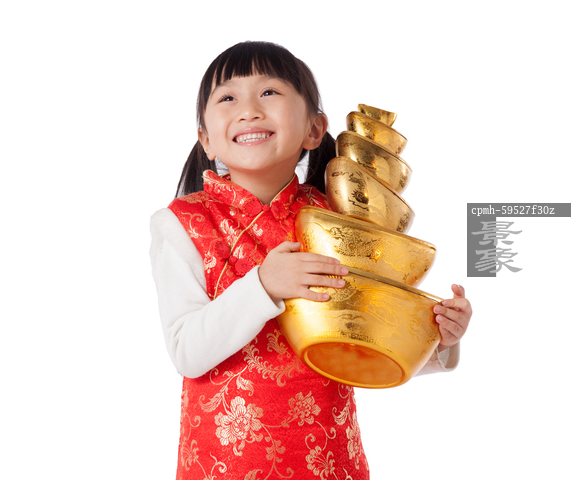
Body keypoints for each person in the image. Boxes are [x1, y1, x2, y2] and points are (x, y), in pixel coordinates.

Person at [150, 41, 472, 480]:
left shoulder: (338, 223)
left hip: (330, 459)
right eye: (227, 98)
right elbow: (186, 352)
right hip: (223, 465)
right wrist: (263, 285)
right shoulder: (182, 224)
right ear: (206, 139)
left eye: (269, 92)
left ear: (314, 129)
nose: (248, 111)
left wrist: (439, 341)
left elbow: (360, 343)